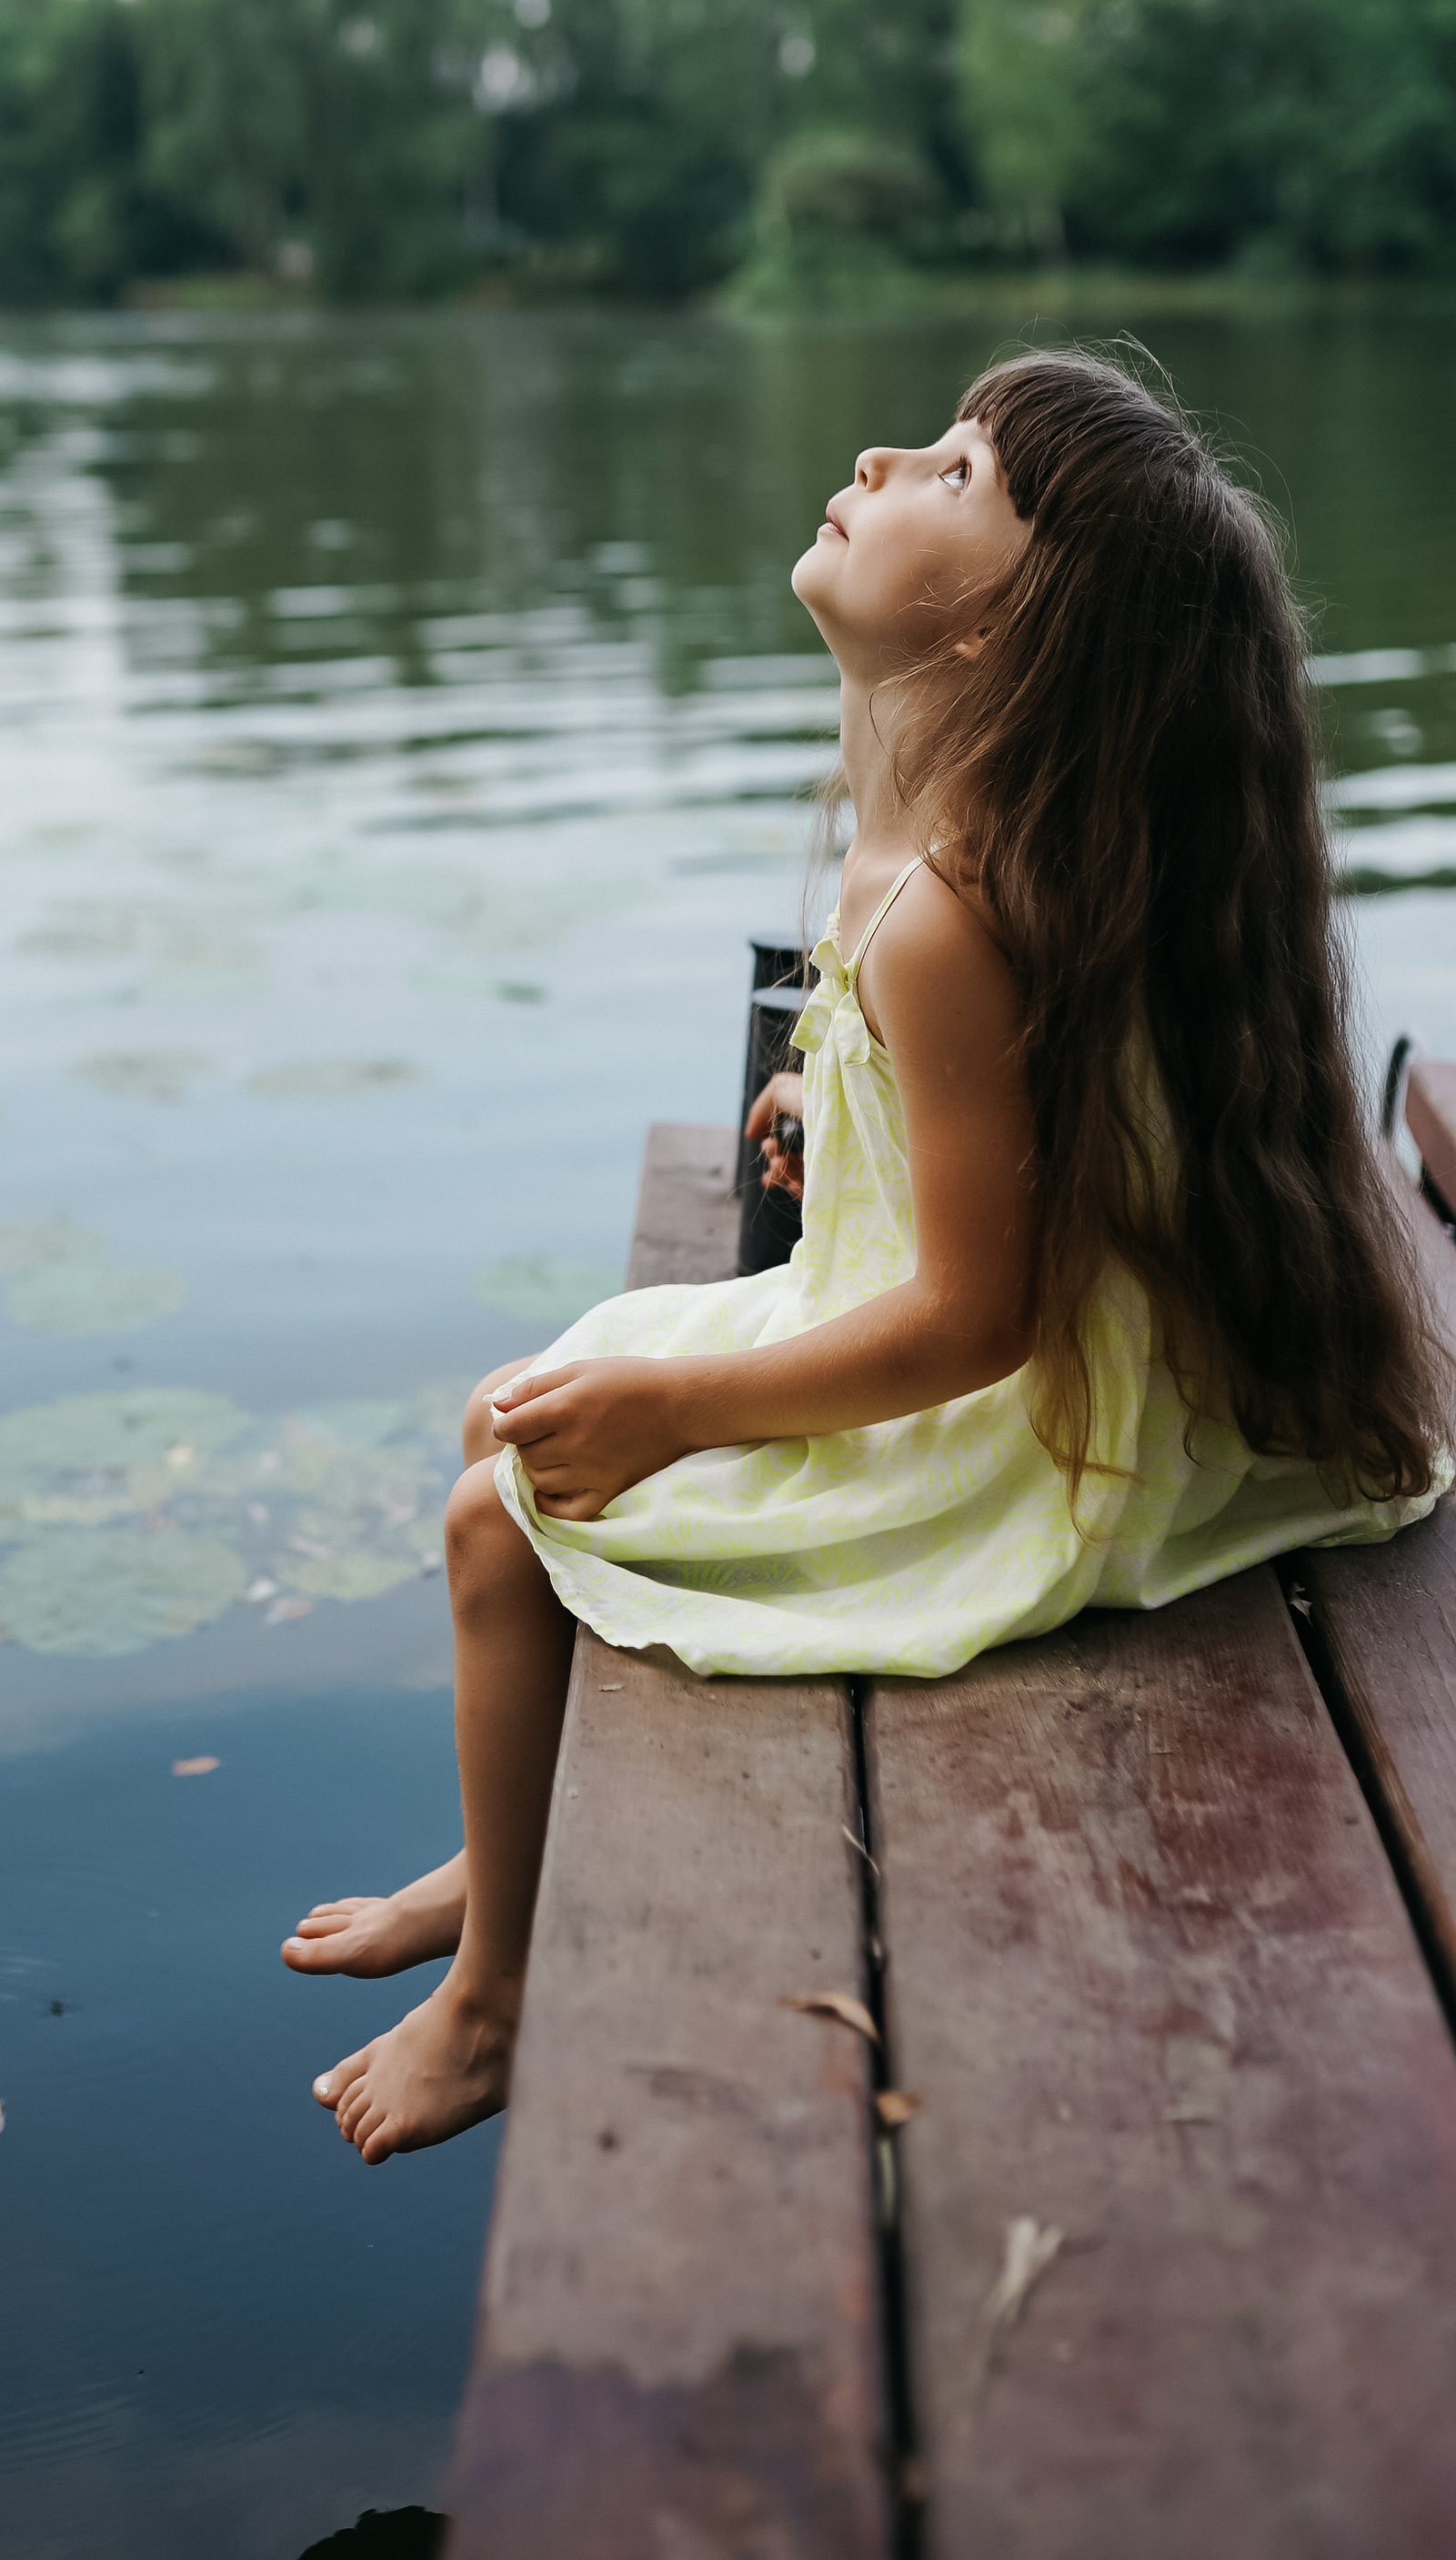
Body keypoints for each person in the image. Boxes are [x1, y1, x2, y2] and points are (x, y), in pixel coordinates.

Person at [285, 349, 1448, 2165]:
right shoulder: (939, 847)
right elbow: (1006, 1129)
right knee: (501, 1422)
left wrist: (681, 1401)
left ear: (994, 641)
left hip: (1042, 1422)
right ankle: (498, 1850)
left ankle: (501, 1994)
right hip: (991, 1321)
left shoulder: (950, 910)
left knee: (494, 1520)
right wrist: (835, 1123)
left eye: (954, 472)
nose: (878, 453)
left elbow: (981, 1313)